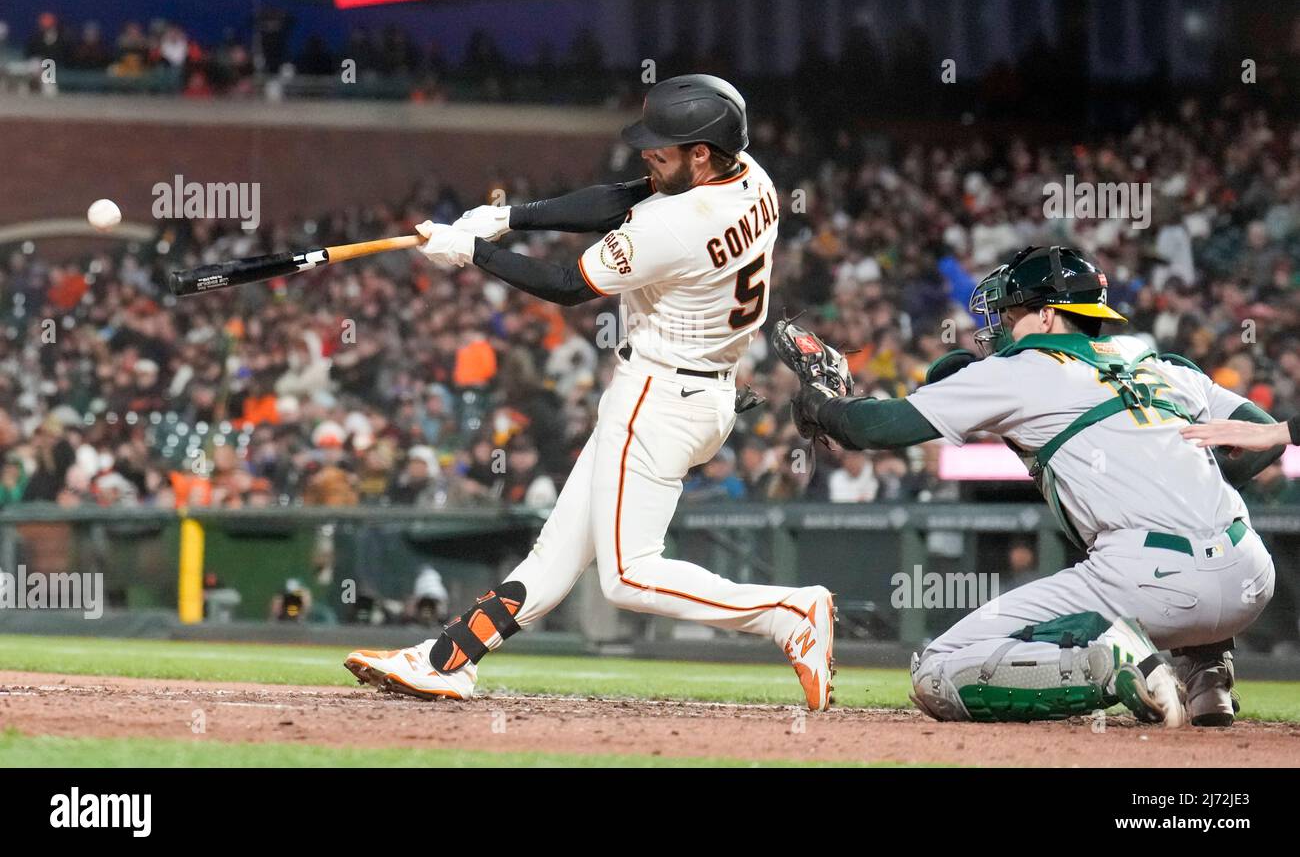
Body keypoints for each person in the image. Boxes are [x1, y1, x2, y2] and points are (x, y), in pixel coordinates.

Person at [345, 75, 835, 710]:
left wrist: (474, 253)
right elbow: (622, 199)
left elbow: (569, 284)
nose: (646, 159)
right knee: (554, 557)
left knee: (628, 576)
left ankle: (787, 611)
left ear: (701, 154)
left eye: (662, 150)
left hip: (660, 394)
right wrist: (509, 218)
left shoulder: (679, 224)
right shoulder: (750, 178)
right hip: (695, 390)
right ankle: (448, 660)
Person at [777, 245, 1279, 727]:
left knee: (936, 668)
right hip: (1250, 579)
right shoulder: (1159, 365)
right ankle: (1208, 675)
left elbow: (876, 428)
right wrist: (1187, 473)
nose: (1001, 325)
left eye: (1012, 312)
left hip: (1149, 583)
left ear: (1047, 317)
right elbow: (1265, 439)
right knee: (1187, 535)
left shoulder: (1019, 371)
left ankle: (1109, 662)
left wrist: (822, 404)